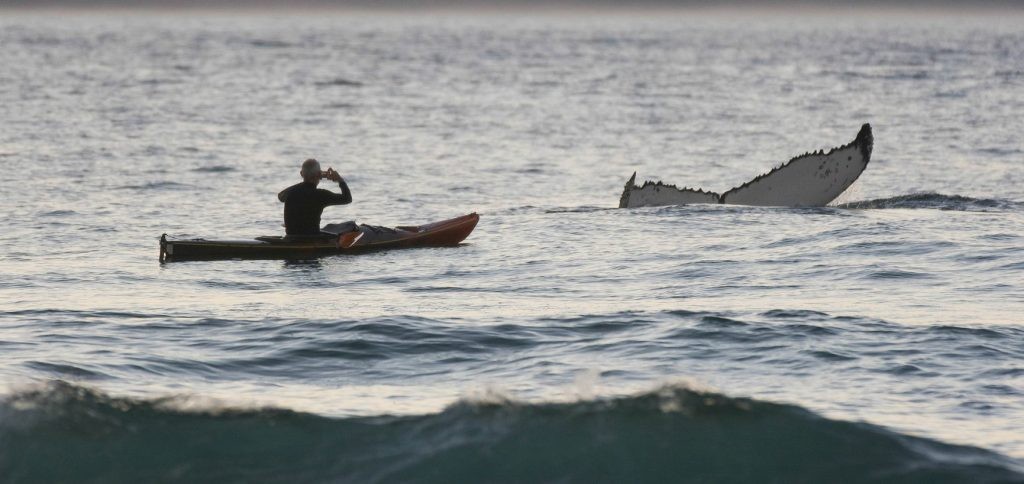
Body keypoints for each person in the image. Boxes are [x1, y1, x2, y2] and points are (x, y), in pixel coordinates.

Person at [277, 158, 352, 235]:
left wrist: (305, 178)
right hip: (313, 238)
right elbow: (347, 198)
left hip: (291, 237)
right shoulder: (321, 195)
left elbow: (280, 196)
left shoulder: (291, 192)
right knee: (350, 227)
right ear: (319, 175)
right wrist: (340, 180)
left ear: (301, 174)